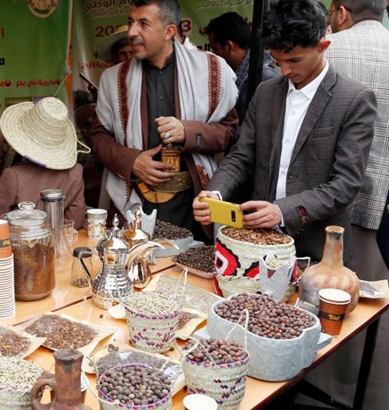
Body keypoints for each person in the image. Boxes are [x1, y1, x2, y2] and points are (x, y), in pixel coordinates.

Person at [192, 0, 376, 267]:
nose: (285, 70)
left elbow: (345, 184)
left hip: (317, 256)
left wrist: (282, 212)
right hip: (256, 248)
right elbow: (241, 156)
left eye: (294, 60)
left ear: (323, 46)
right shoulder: (267, 92)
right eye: (278, 61)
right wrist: (215, 194)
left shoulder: (353, 99)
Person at [298, 0, 389, 410]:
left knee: (315, 300)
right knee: (370, 313)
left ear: (339, 12)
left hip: (319, 203)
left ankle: (303, 399)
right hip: (379, 203)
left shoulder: (327, 51)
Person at [89, 0, 239, 241]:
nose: (131, 32)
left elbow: (230, 133)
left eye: (143, 24)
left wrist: (188, 132)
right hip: (133, 201)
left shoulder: (211, 69)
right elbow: (97, 138)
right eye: (131, 22)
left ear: (169, 31)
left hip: (194, 205)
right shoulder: (114, 79)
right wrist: (132, 162)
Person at [0, 97, 88, 229]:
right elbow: (76, 221)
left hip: (21, 247)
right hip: (59, 245)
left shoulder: (13, 175)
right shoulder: (75, 172)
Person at [205, 12, 279, 125]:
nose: (213, 55)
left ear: (229, 46)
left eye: (215, 49)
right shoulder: (236, 74)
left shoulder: (263, 77)